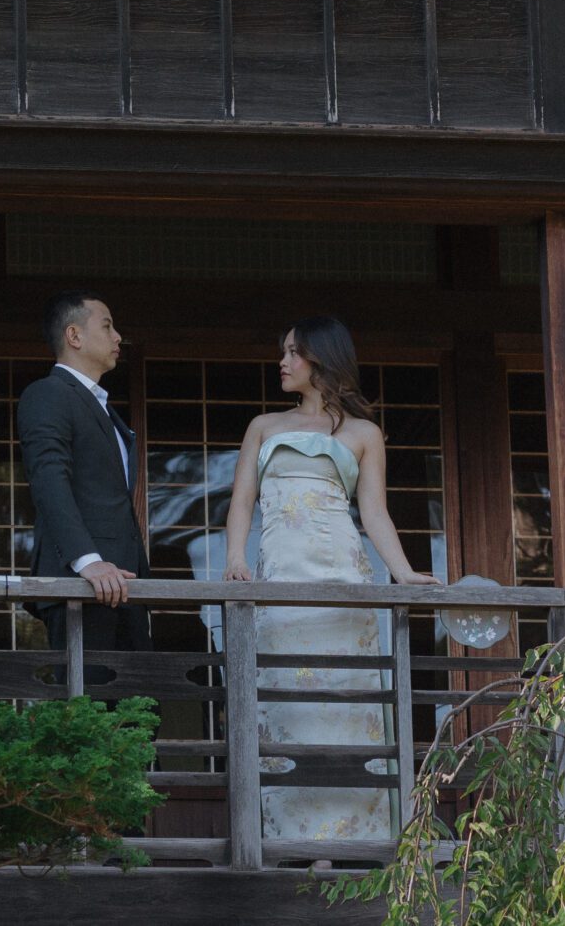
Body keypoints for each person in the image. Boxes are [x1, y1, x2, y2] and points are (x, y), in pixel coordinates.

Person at [221, 315, 436, 842]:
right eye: (284, 352)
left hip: (344, 583)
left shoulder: (364, 433)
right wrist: (234, 560)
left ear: (322, 359)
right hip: (280, 584)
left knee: (344, 705)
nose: (283, 362)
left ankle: (355, 842)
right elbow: (242, 501)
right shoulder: (264, 426)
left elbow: (375, 513)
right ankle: (290, 842)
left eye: (293, 352)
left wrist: (403, 572)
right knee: (288, 706)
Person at [20, 291, 149, 660]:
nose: (117, 337)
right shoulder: (49, 393)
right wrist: (87, 560)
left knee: (140, 710)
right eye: (107, 326)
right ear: (74, 336)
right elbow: (48, 477)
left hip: (125, 582)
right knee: (89, 706)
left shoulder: (99, 404)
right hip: (82, 583)